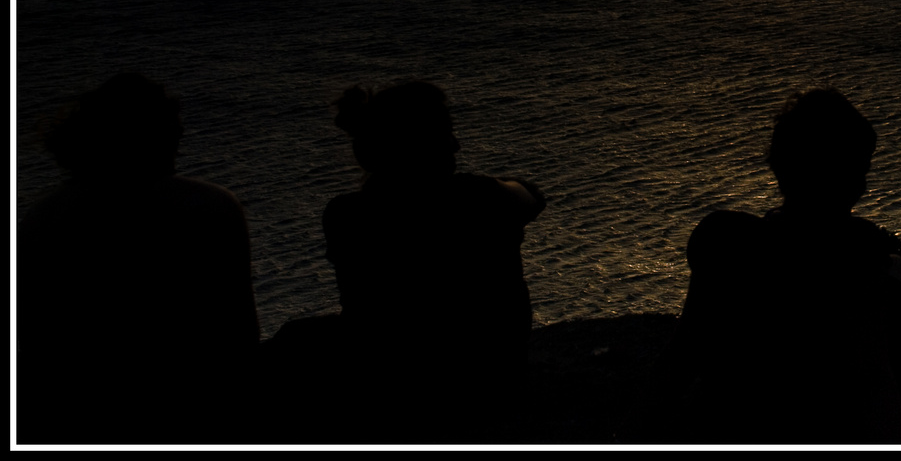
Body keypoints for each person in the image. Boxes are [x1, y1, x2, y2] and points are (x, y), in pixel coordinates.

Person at [666, 88, 901, 443]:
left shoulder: (723, 239)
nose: (865, 185)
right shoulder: (863, 254)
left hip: (740, 417)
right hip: (820, 420)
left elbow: (681, 354)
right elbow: (872, 387)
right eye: (862, 169)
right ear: (850, 179)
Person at [266, 80, 545, 440]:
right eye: (447, 134)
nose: (457, 144)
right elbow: (532, 195)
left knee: (293, 343)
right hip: (491, 379)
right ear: (423, 144)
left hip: (393, 382)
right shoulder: (483, 196)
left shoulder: (346, 215)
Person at [17, 73, 260, 444]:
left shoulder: (42, 217)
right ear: (151, 134)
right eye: (171, 125)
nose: (180, 135)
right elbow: (238, 329)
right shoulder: (211, 206)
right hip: (193, 407)